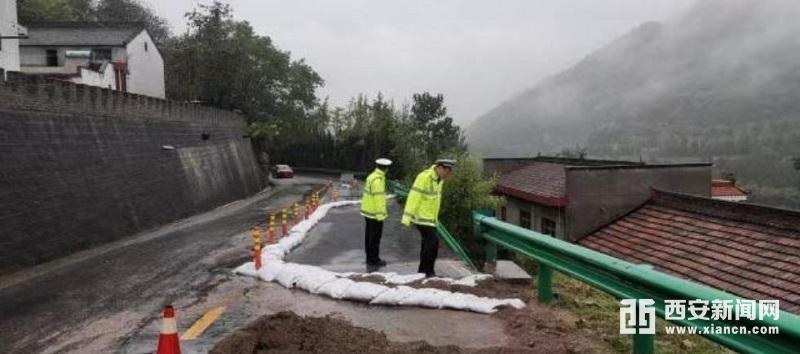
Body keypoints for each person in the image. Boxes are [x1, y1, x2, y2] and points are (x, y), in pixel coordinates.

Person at [401, 159, 456, 277]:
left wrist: (435, 219)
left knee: (428, 244)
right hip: (421, 218)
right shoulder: (424, 177)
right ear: (440, 168)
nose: (448, 174)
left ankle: (423, 271)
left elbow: (435, 201)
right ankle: (428, 272)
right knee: (432, 244)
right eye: (447, 171)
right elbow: (414, 196)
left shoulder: (439, 179)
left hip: (430, 219)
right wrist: (407, 217)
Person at [361, 158, 392, 271]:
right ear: (386, 169)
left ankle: (370, 258)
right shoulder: (378, 180)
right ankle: (374, 260)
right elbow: (379, 199)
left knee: (369, 236)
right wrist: (380, 215)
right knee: (375, 238)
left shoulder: (371, 176)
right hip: (375, 214)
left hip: (368, 212)